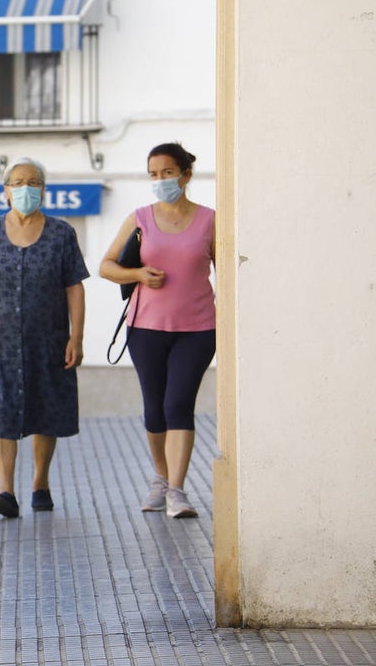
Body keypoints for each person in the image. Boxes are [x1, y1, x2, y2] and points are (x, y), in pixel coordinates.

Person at [99, 142, 215, 519]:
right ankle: (161, 478)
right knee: (154, 408)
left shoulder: (210, 220)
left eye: (167, 172)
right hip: (145, 327)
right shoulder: (140, 218)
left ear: (185, 174)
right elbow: (106, 265)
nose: (161, 180)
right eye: (153, 174)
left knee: (178, 404)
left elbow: (227, 269)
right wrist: (137, 274)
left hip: (198, 328)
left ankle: (178, 490)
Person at [0, 158, 88, 517]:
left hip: (49, 339)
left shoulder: (61, 233)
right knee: (4, 411)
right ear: (6, 191)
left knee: (45, 408)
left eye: (33, 182)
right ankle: (6, 489)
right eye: (18, 182)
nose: (26, 188)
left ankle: (40, 482)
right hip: (0, 342)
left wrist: (77, 336)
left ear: (43, 190)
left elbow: (75, 286)